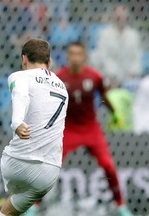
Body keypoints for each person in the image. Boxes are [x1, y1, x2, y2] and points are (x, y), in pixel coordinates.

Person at [57, 42, 133, 216]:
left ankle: (121, 205)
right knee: (51, 167)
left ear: (84, 57)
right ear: (68, 57)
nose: (75, 58)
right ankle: (34, 206)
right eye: (72, 54)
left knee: (108, 165)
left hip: (91, 128)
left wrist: (115, 114)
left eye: (79, 54)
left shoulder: (94, 77)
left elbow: (104, 96)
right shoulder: (59, 78)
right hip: (69, 129)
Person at [0, 38, 68, 216]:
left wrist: (17, 122)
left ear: (24, 59)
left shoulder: (19, 76)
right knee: (7, 213)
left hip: (17, 162)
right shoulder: (62, 87)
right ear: (49, 62)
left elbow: (21, 95)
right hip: (49, 172)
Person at [90, 4, 142, 83]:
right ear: (113, 16)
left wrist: (133, 73)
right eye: (118, 16)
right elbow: (102, 56)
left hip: (129, 77)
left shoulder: (133, 35)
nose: (120, 18)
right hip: (108, 75)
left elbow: (137, 56)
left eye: (123, 16)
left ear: (127, 17)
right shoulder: (105, 34)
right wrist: (112, 74)